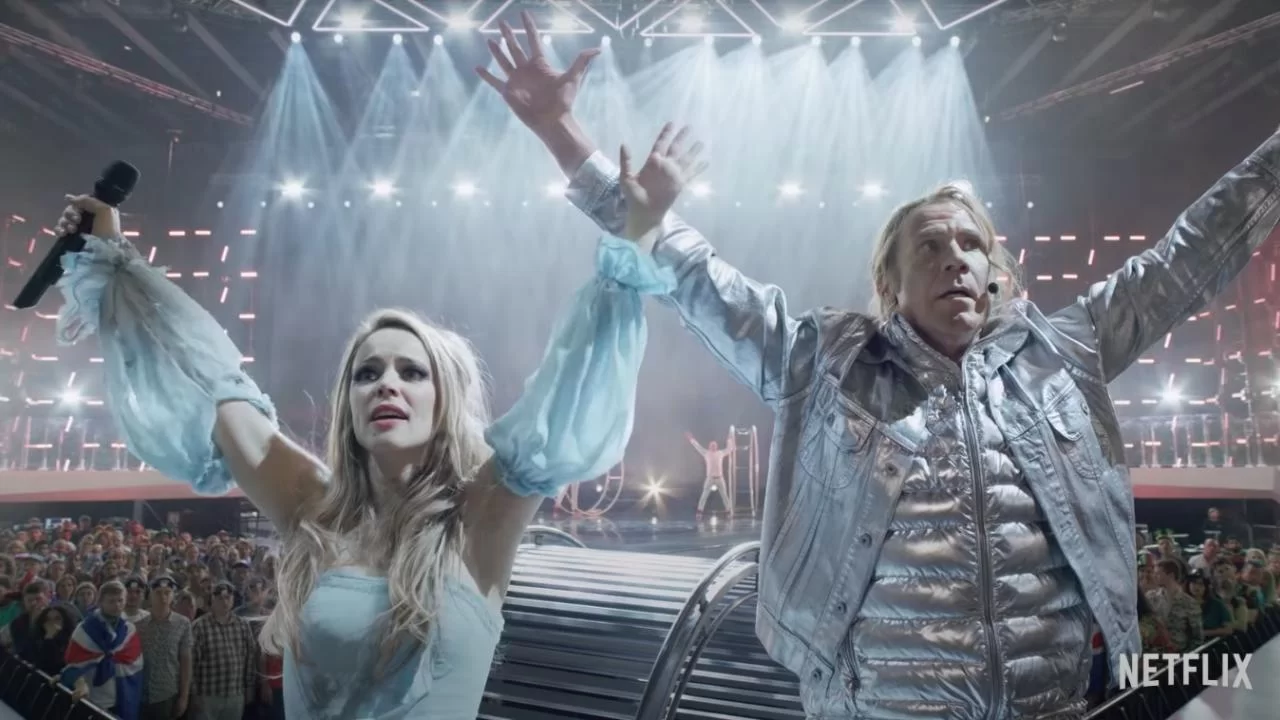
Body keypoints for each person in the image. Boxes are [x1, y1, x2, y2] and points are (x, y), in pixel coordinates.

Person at [480, 12, 1280, 715]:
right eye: (929, 246)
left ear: (995, 275)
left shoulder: (1060, 360)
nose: (955, 258)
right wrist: (563, 133)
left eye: (970, 244)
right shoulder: (825, 366)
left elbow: (1187, 257)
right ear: (889, 285)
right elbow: (693, 273)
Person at [48, 141, 680, 718]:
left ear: (445, 399)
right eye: (367, 373)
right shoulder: (311, 507)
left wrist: (640, 233)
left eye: (412, 372)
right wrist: (113, 254)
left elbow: (571, 385)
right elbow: (206, 379)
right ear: (347, 404)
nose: (386, 384)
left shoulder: (483, 515)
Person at [60, 580, 144, 720]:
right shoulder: (85, 629)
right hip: (91, 694)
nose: (117, 605)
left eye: (120, 600)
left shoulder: (129, 629)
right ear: (100, 602)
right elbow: (74, 662)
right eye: (111, 601)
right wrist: (80, 683)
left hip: (120, 694)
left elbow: (135, 662)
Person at [684, 432, 734, 518]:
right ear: (709, 446)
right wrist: (691, 439)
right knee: (704, 495)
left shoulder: (720, 453)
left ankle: (728, 511)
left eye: (715, 445)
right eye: (712, 445)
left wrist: (729, 440)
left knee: (724, 495)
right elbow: (698, 447)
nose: (713, 446)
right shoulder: (706, 453)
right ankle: (699, 511)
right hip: (710, 478)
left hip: (720, 478)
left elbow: (729, 449)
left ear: (717, 446)